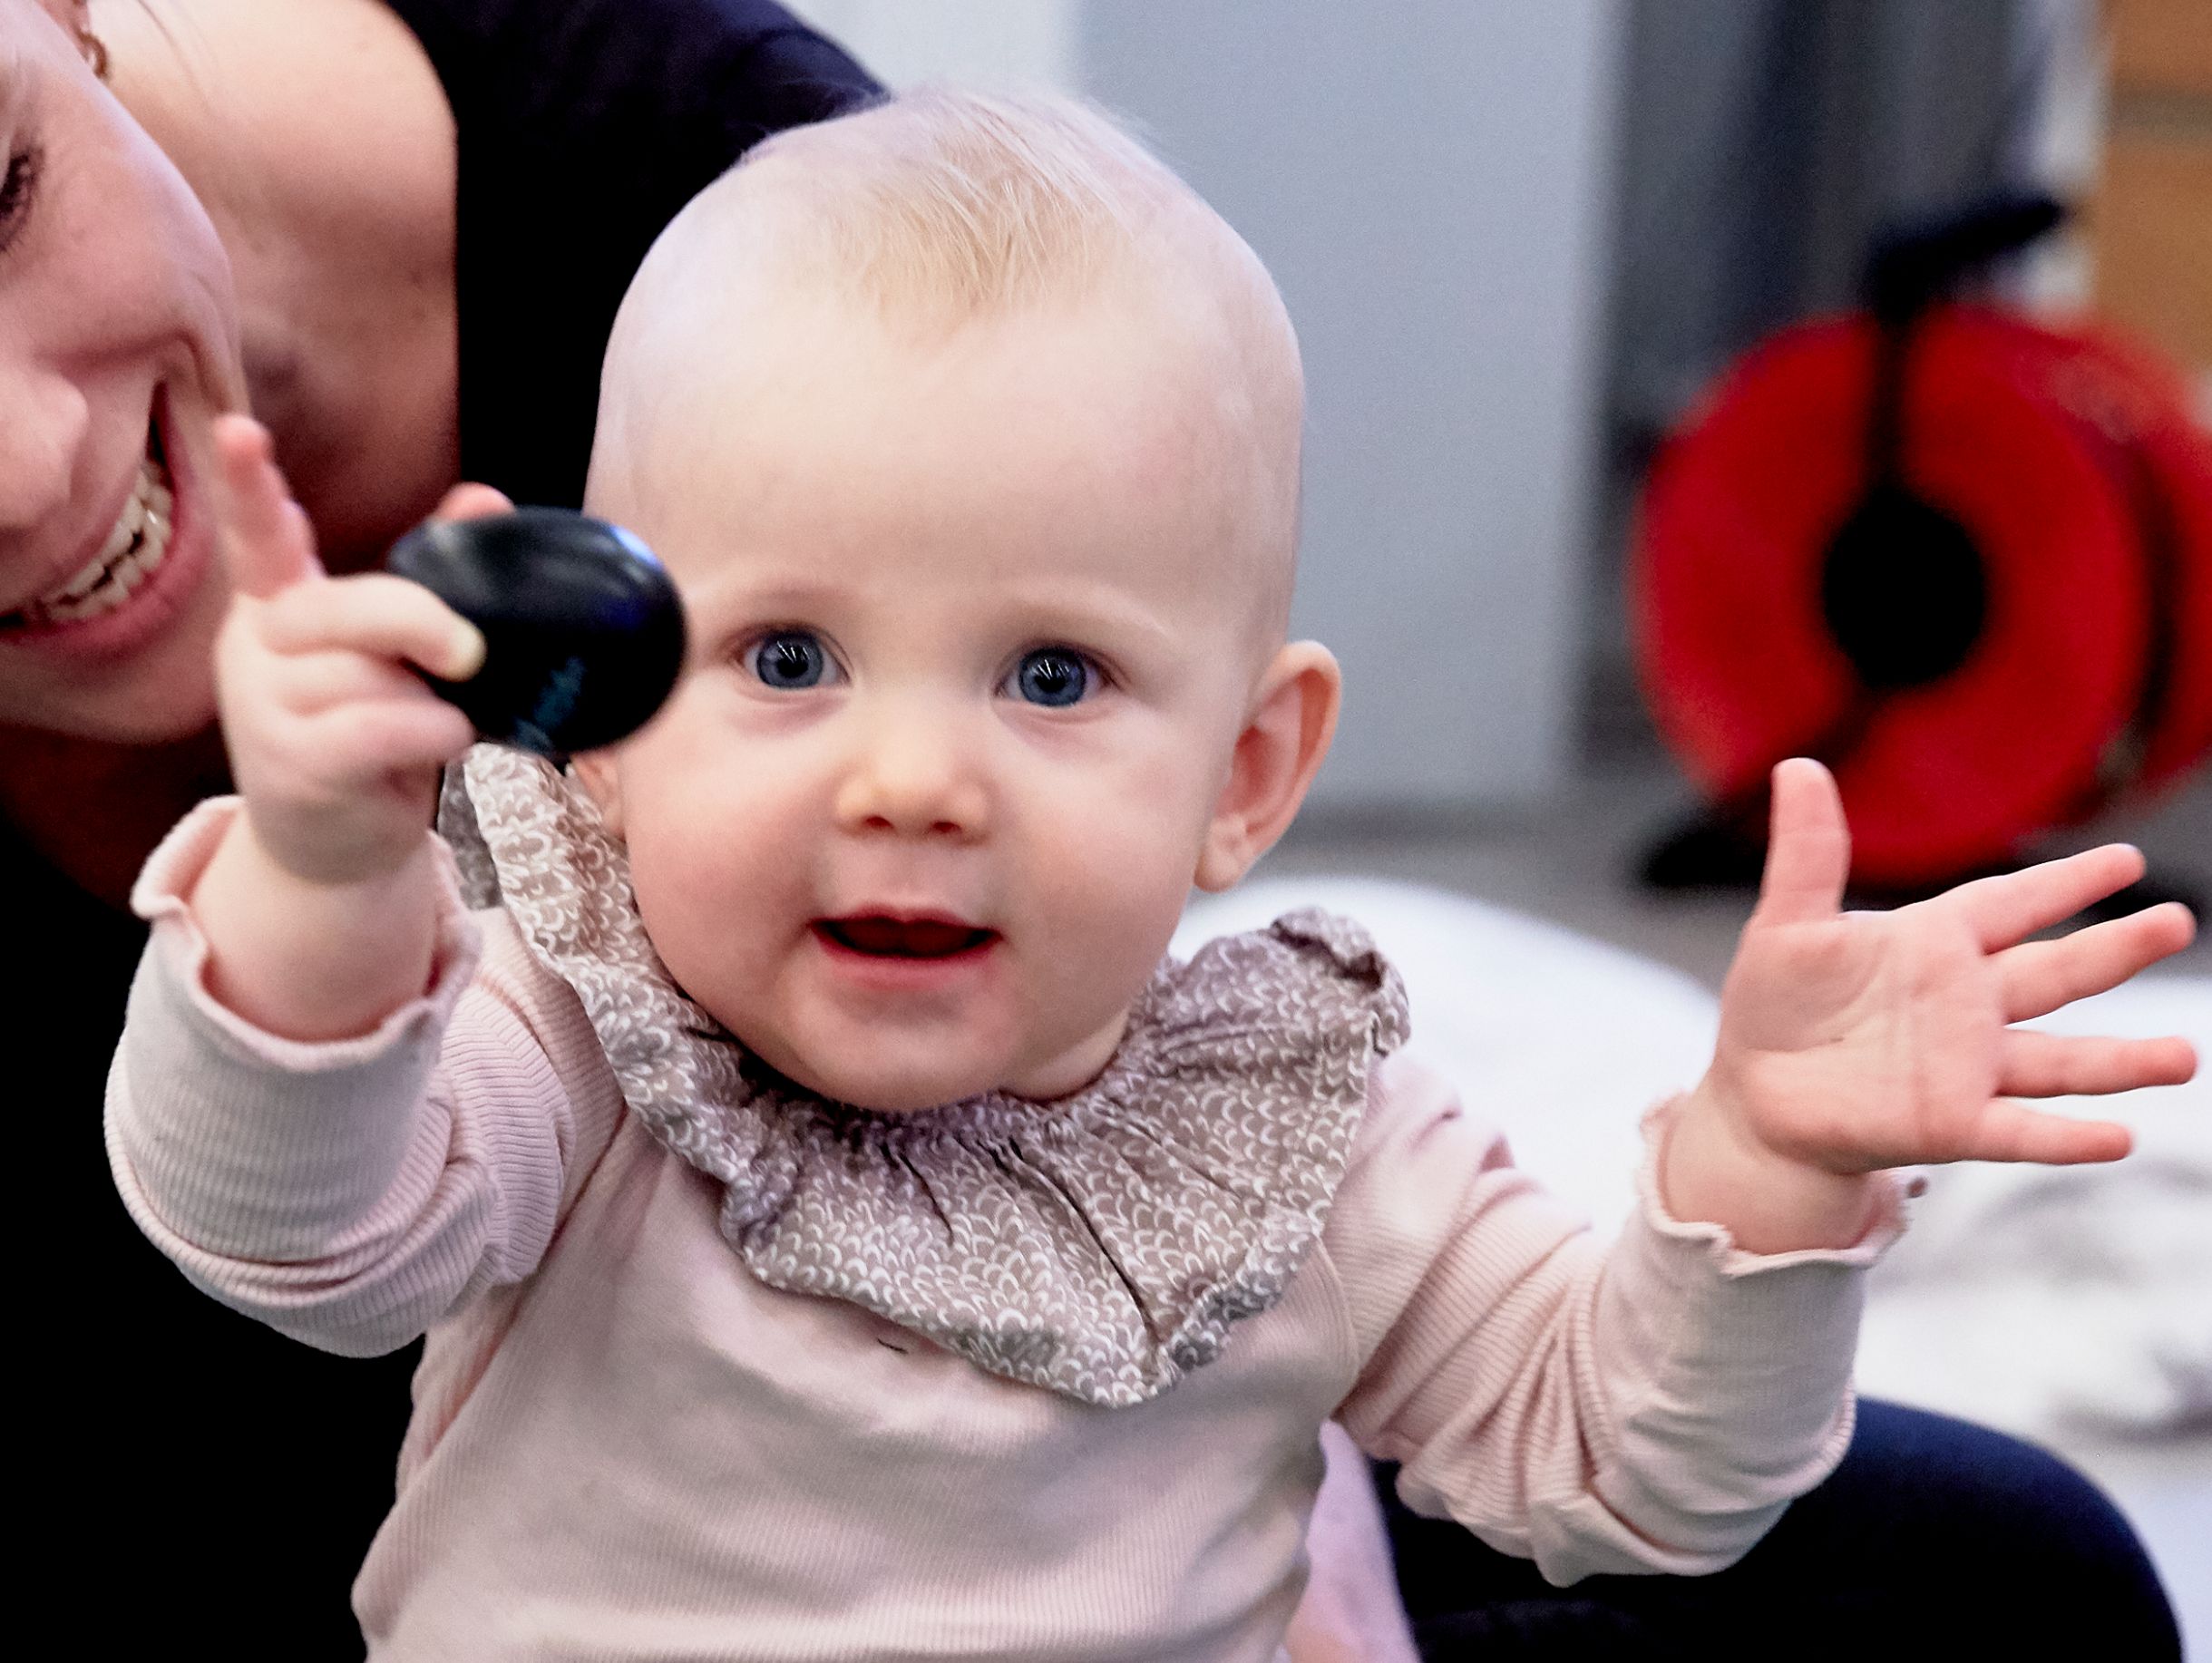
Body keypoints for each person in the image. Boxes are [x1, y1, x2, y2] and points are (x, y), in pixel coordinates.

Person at [106, 87, 2197, 1658]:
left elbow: (1633, 1471)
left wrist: (1763, 1158)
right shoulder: (570, 1052)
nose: (914, 777)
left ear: (1247, 768)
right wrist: (322, 871)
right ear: (611, 715)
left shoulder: (1292, 1147)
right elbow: (298, 1227)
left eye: (1050, 672)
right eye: (787, 658)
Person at [1, 1, 875, 1652]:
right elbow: (307, 1218)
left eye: (5, 192)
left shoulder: (747, 207)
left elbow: (1062, 1058)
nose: (34, 473)